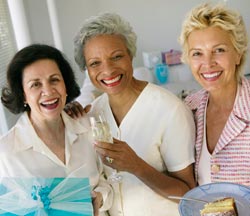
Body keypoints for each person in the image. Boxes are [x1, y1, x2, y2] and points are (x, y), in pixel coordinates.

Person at [73, 12, 196, 216]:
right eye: (95, 63)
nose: (108, 70)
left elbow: (188, 194)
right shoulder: (93, 113)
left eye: (117, 56)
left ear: (130, 55)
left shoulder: (170, 110)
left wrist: (137, 166)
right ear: (87, 69)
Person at [0, 44, 113, 215]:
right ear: (23, 94)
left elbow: (109, 181)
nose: (48, 91)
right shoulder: (7, 152)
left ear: (65, 85)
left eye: (54, 80)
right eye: (35, 84)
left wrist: (100, 198)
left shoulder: (89, 129)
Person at [179, 3, 250, 186]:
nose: (208, 63)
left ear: (238, 54)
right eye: (197, 53)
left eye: (219, 50)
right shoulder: (188, 109)